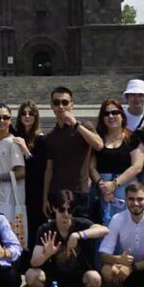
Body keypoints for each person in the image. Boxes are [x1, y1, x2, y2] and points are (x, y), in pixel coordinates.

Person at [24, 189, 108, 287]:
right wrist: (47, 253)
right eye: (62, 210)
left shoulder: (80, 224)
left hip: (78, 278)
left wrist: (78, 235)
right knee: (31, 275)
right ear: (54, 208)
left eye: (70, 210)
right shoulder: (46, 229)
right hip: (54, 281)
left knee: (95, 278)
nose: (66, 215)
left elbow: (104, 230)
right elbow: (34, 262)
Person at [43, 86, 100, 220]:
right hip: (57, 193)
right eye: (56, 103)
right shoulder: (51, 136)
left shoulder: (84, 126)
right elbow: (49, 170)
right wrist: (45, 198)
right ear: (51, 106)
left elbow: (98, 145)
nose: (61, 106)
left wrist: (76, 125)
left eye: (65, 102)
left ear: (72, 105)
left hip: (80, 192)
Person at [92, 98, 144, 226]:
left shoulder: (133, 138)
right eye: (106, 113)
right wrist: (103, 186)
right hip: (102, 189)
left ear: (122, 115)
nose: (111, 116)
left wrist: (114, 184)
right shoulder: (97, 139)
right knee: (104, 227)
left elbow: (137, 166)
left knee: (127, 227)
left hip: (126, 188)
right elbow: (91, 166)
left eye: (115, 112)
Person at [0, 104, 27, 242]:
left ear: (10, 120)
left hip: (9, 199)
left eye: (5, 117)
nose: (1, 121)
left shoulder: (13, 142)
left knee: (8, 238)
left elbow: (21, 172)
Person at [15, 100, 47, 261]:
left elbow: (38, 169)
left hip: (34, 191)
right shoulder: (15, 135)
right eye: (24, 113)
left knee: (33, 226)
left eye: (31, 113)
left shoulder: (40, 139)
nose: (27, 116)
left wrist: (25, 149)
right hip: (16, 190)